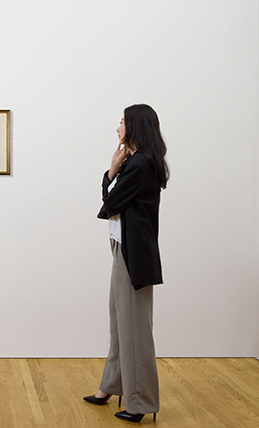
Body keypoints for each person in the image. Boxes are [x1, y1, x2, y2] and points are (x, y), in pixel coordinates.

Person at [83, 104, 169, 423]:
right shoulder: (137, 160)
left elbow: (110, 203)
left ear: (134, 126)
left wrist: (111, 169)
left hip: (134, 255)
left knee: (134, 330)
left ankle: (140, 402)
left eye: (121, 122)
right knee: (119, 324)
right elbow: (112, 205)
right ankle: (111, 386)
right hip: (123, 248)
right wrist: (116, 170)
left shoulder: (140, 163)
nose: (117, 127)